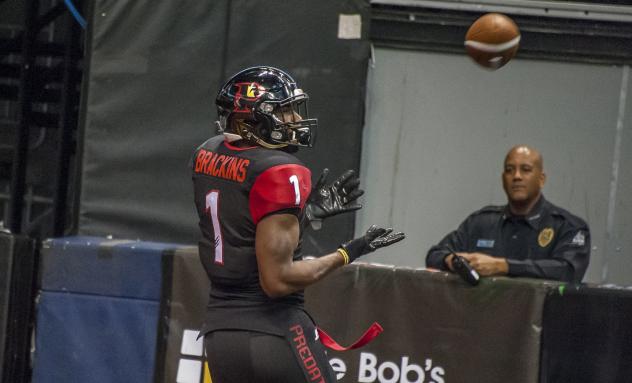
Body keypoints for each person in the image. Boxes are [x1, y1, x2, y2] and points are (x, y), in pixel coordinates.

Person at [191, 66, 405, 383]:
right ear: (251, 118)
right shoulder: (282, 170)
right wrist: (347, 253)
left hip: (221, 335)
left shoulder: (206, 153)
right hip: (274, 331)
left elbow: (244, 230)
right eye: (284, 110)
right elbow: (277, 281)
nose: (293, 119)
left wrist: (307, 215)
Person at [426, 145, 590, 283]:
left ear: (541, 179)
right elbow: (435, 255)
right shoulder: (481, 222)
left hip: (538, 317)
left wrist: (504, 266)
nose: (516, 176)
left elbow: (569, 270)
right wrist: (455, 262)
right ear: (503, 178)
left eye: (525, 170)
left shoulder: (567, 226)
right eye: (509, 170)